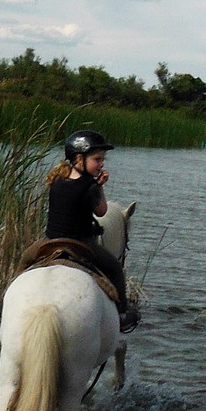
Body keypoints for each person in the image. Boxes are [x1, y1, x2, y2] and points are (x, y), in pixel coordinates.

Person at [45, 129, 139, 332]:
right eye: (97, 159)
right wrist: (99, 187)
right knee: (114, 268)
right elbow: (102, 210)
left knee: (25, 261)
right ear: (79, 159)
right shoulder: (90, 186)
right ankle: (122, 313)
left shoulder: (56, 180)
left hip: (50, 243)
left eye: (102, 160)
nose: (101, 164)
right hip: (80, 245)